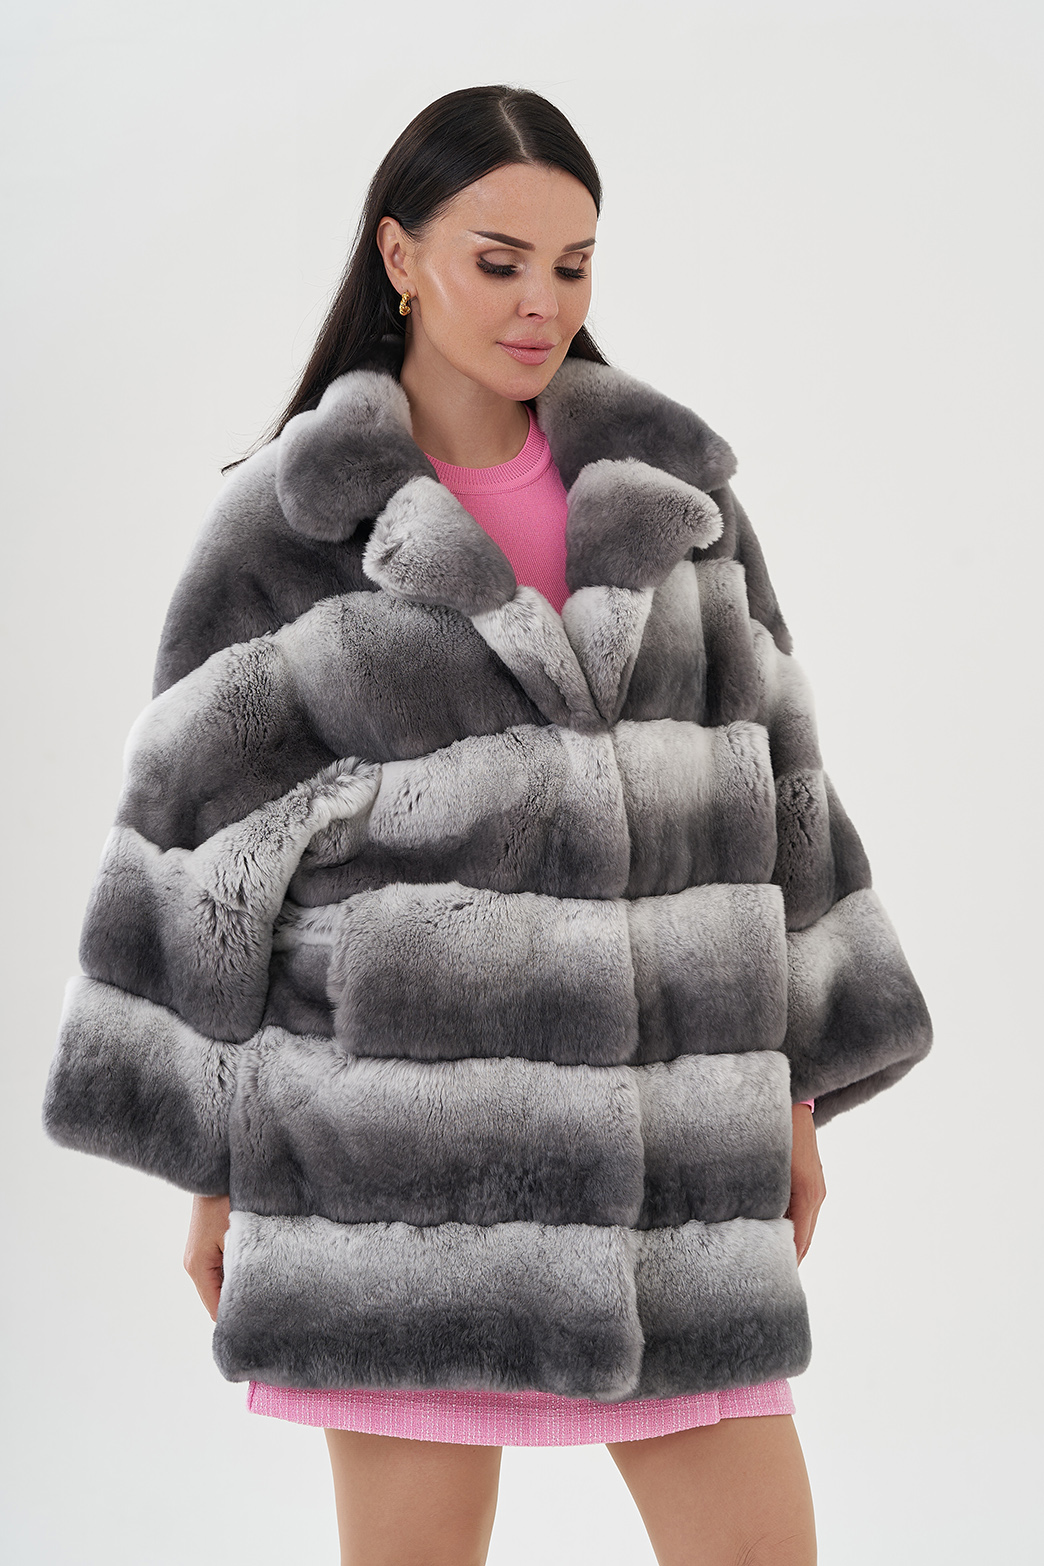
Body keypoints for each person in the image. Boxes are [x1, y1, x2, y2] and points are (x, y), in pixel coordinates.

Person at [43, 85, 932, 1566]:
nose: (543, 303)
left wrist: (791, 1095)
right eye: (499, 260)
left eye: (573, 266)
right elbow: (200, 854)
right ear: (400, 256)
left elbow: (783, 797)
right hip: (398, 1178)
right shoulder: (292, 527)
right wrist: (213, 1160)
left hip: (673, 1173)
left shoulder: (678, 506)